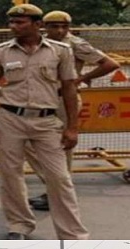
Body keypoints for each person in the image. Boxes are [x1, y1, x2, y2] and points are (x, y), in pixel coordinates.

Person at [0, 4, 89, 240]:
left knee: (60, 178)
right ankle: (19, 226)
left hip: (47, 121)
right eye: (12, 22)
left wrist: (72, 127)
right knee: (11, 175)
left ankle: (73, 236)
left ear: (37, 25)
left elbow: (69, 88)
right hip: (10, 119)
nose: (14, 27)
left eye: (20, 22)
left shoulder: (60, 51)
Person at [25, 11, 120, 211]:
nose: (60, 30)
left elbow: (110, 64)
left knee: (62, 148)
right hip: (41, 101)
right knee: (28, 143)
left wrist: (78, 80)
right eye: (54, 26)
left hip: (63, 101)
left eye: (64, 26)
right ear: (44, 26)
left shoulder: (75, 44)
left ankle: (58, 194)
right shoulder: (40, 43)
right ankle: (56, 189)